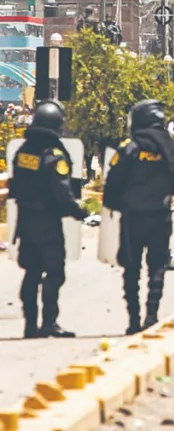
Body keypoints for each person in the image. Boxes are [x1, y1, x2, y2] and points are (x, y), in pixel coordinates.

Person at [103, 100, 174, 334]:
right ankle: (151, 315)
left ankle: (133, 320)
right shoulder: (170, 148)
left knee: (131, 268)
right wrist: (162, 193)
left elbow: (112, 183)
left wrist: (116, 205)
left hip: (132, 218)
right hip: (160, 216)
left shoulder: (129, 148)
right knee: (157, 267)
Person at [9, 100, 86, 338]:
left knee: (31, 272)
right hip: (48, 223)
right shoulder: (54, 155)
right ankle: (49, 323)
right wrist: (78, 210)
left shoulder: (23, 152)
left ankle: (30, 325)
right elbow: (61, 190)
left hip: (25, 221)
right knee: (54, 273)